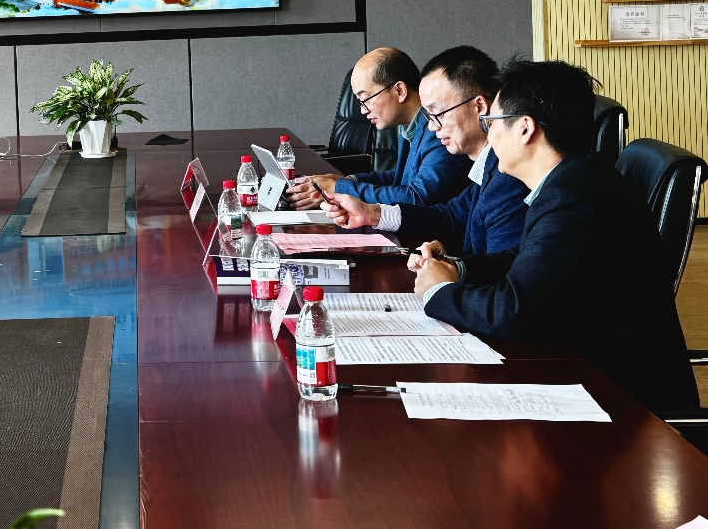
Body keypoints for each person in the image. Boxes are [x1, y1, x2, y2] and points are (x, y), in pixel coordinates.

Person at [413, 58, 698, 414]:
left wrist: (439, 291)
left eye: (492, 122)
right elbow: (527, 261)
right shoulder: (574, 179)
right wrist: (459, 268)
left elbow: (513, 312)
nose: (489, 135)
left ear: (525, 129)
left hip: (623, 405)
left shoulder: (573, 200)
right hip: (589, 376)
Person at [322, 46, 528, 254]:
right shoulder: (488, 168)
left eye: (438, 113)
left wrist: (456, 267)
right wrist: (371, 213)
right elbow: (450, 215)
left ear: (480, 107)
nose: (431, 126)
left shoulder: (507, 177)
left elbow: (503, 267)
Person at [288, 47, 470, 210]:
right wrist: (346, 181)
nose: (362, 110)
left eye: (365, 99)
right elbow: (401, 177)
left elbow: (417, 198)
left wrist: (338, 188)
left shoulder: (439, 131)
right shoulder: (410, 125)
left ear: (400, 90)